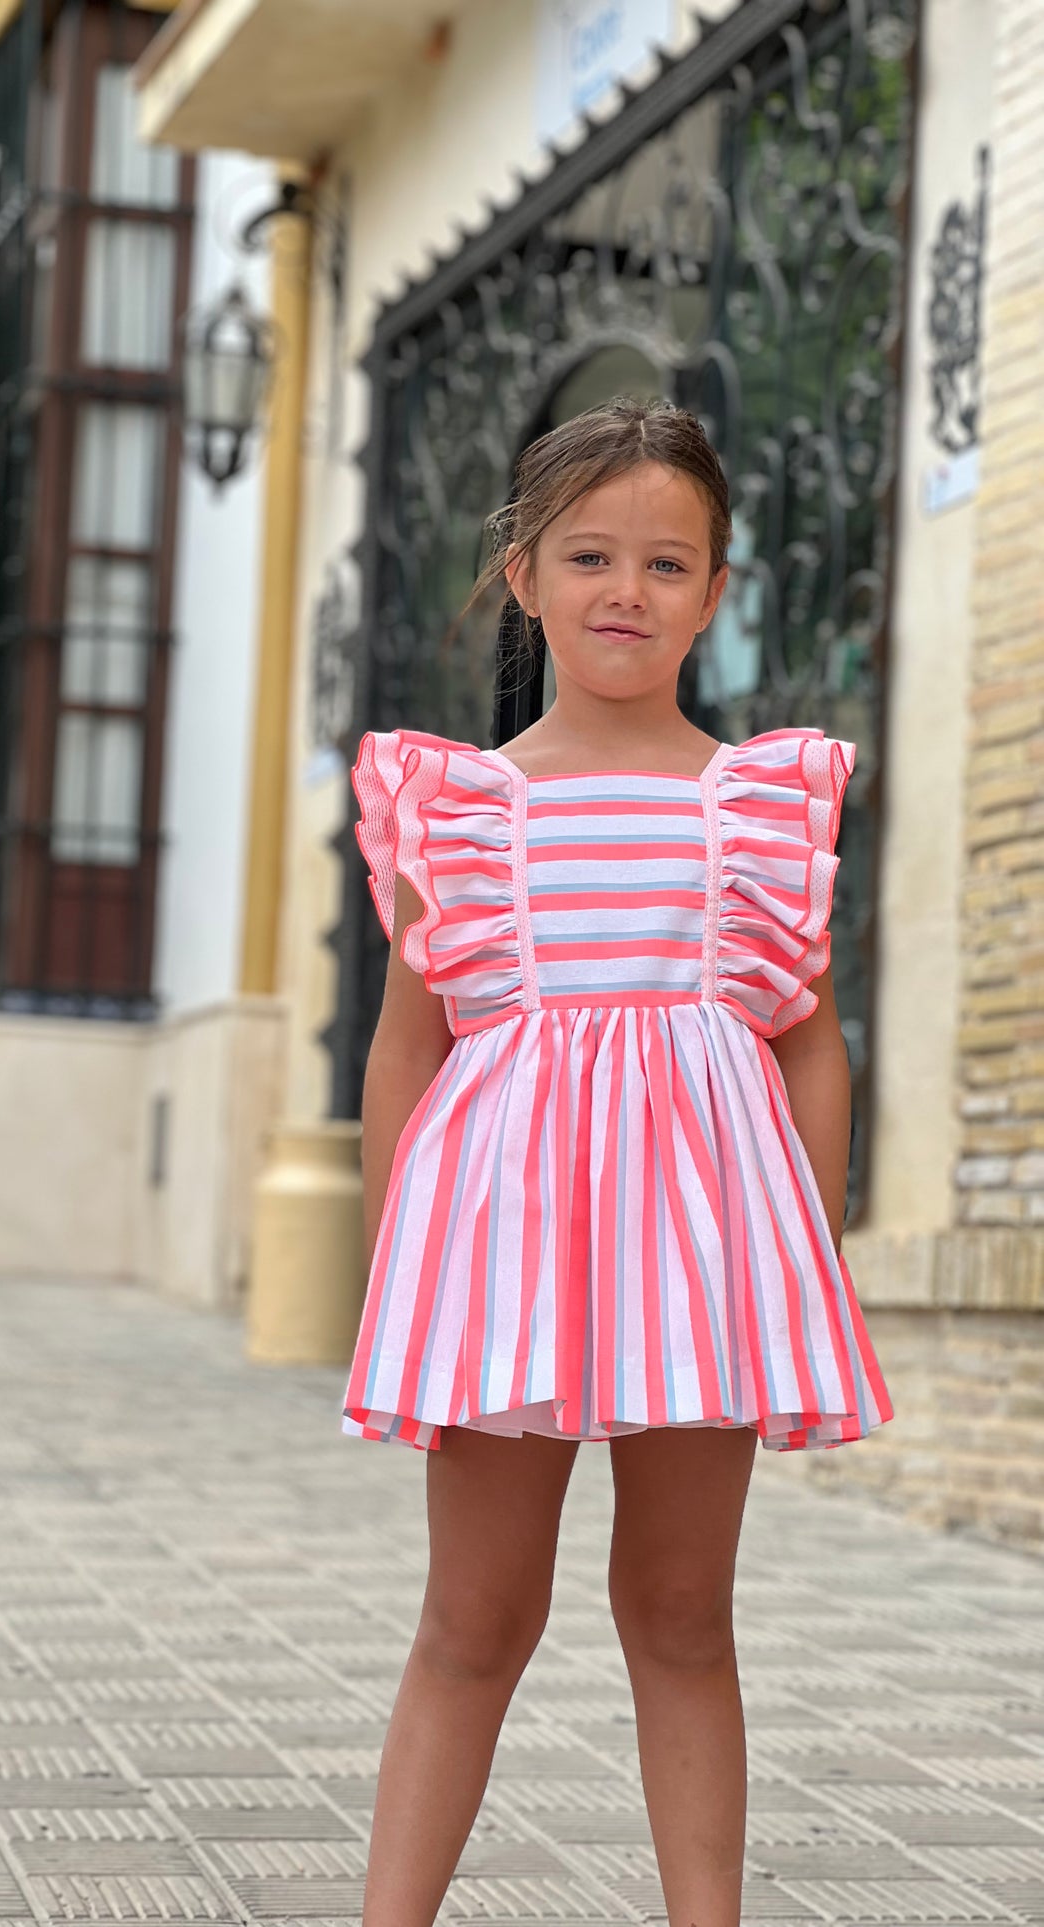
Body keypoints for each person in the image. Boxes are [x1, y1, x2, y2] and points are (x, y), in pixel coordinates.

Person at [345, 396, 893, 1927]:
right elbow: (409, 1045)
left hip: (708, 1263)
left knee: (677, 1609)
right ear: (520, 573)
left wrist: (808, 1250)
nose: (624, 591)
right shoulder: (456, 805)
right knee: (474, 1614)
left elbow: (806, 1039)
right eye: (588, 554)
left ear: (716, 591)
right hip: (500, 1257)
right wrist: (403, 1262)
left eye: (667, 562)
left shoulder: (761, 806)